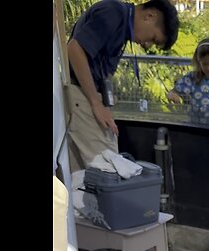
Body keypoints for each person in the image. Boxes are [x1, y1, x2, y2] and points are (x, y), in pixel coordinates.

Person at [65, 0, 179, 171]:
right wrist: (96, 103)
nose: (147, 45)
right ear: (150, 15)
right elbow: (74, 49)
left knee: (81, 175)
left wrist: (106, 104)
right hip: (82, 94)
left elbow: (106, 75)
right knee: (110, 167)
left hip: (88, 96)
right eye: (153, 39)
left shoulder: (122, 27)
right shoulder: (114, 13)